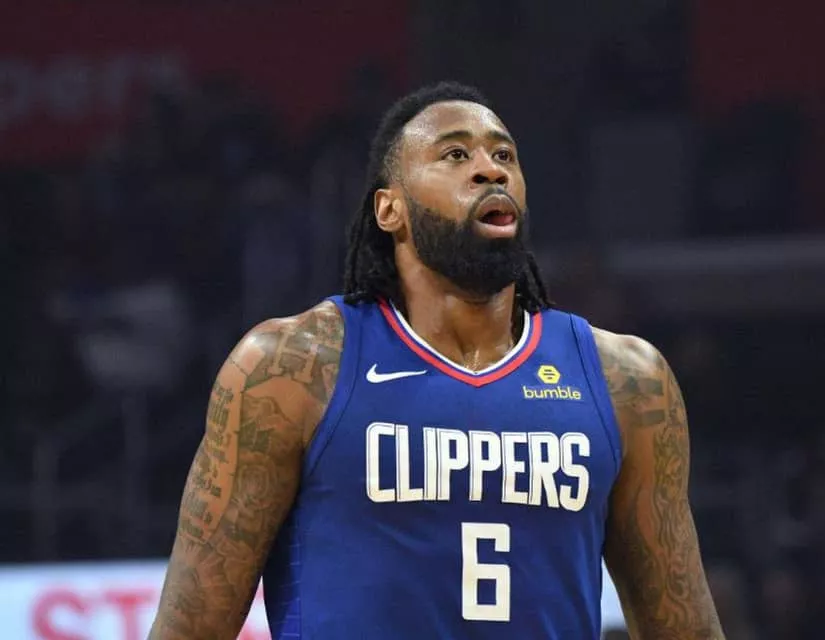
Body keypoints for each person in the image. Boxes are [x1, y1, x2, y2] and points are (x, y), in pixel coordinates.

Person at [148, 81, 725, 639]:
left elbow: (686, 629)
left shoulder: (627, 380)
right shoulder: (291, 369)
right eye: (455, 154)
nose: (490, 169)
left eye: (504, 155)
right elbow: (192, 628)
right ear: (389, 209)